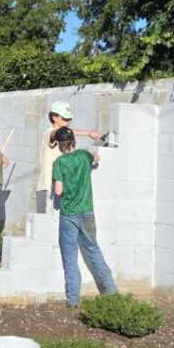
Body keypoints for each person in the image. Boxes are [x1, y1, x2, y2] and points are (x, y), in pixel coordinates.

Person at [51, 126, 118, 307]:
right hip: (87, 212)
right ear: (74, 141)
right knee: (94, 252)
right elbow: (97, 157)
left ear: (59, 144)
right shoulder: (83, 156)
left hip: (68, 215)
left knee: (70, 259)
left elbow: (58, 191)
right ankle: (112, 293)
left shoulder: (59, 163)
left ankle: (73, 300)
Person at [35, 101, 99, 213]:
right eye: (65, 118)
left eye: (70, 119)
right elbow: (58, 133)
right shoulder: (49, 132)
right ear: (54, 118)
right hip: (47, 187)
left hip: (61, 187)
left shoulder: (66, 137)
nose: (68, 121)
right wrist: (87, 134)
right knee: (44, 222)